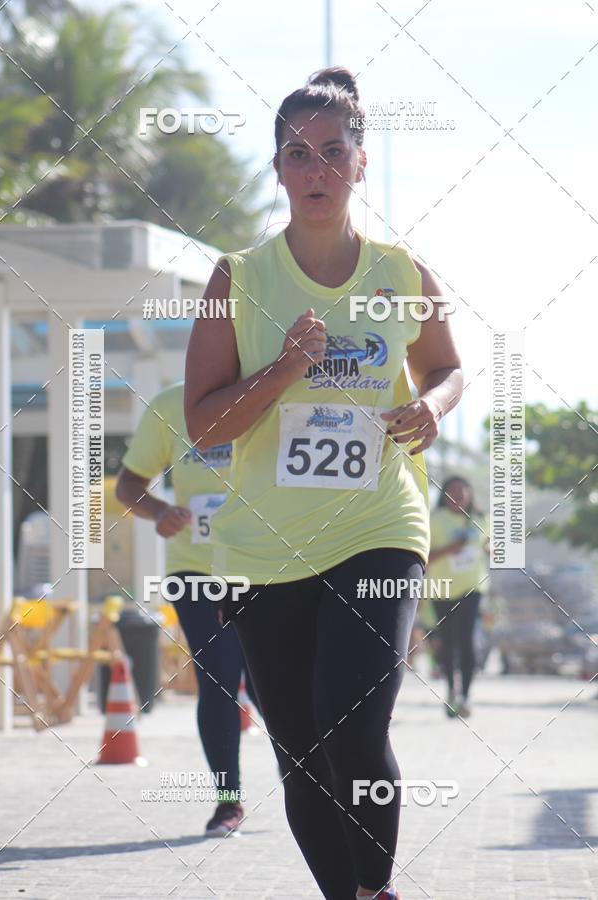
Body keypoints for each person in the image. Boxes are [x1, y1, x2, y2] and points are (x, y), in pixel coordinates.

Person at [184, 67, 463, 900]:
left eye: (334, 152)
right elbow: (202, 424)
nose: (317, 169)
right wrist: (280, 372)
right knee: (300, 750)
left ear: (360, 164)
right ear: (277, 168)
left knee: (351, 718)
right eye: (298, 153)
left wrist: (435, 407)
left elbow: (446, 367)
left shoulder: (400, 270)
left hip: (376, 524)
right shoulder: (237, 278)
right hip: (263, 547)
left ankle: (376, 889)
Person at [116, 381, 260, 837]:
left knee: (271, 684)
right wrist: (160, 511)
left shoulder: (271, 388)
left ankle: (305, 780)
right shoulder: (168, 406)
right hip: (195, 569)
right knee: (217, 679)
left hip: (268, 567)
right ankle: (227, 800)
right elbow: (129, 484)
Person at [426, 476, 490, 718]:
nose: (458, 496)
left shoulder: (481, 519)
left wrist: (492, 549)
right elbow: (424, 558)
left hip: (473, 586)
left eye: (462, 491)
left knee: (467, 640)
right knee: (448, 642)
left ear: (470, 494)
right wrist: (449, 550)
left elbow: (489, 546)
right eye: (452, 491)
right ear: (443, 496)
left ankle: (466, 695)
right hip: (441, 588)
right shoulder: (433, 520)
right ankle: (451, 691)